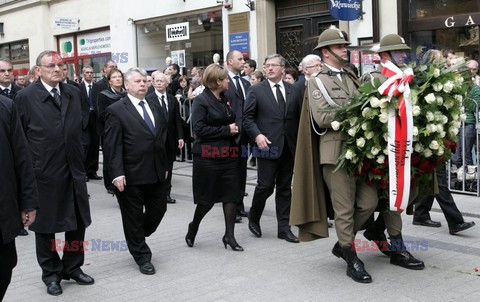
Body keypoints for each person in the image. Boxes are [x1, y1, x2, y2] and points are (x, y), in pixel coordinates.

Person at [292, 27, 378, 283]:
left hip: (357, 150)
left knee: (368, 202)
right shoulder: (317, 80)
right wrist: (356, 113)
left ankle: (343, 244)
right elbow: (322, 117)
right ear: (326, 52)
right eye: (341, 46)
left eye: (345, 46)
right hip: (335, 152)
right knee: (344, 209)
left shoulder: (351, 77)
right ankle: (352, 259)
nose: (345, 49)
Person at [15, 51, 94, 296]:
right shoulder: (25, 97)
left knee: (77, 223)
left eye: (61, 65)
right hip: (44, 173)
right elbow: (18, 138)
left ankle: (73, 266)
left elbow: (82, 124)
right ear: (38, 70)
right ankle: (51, 273)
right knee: (46, 226)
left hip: (73, 170)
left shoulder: (73, 91)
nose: (57, 69)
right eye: (51, 66)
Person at [360, 34, 425, 270]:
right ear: (385, 56)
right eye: (399, 52)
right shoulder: (374, 78)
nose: (404, 56)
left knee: (407, 194)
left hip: (405, 149)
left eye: (404, 52)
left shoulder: (408, 77)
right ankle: (397, 249)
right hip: (382, 152)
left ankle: (377, 230)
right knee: (392, 198)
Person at [104, 67, 169, 275]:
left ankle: (136, 235)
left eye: (145, 81)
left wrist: (166, 165)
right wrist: (116, 173)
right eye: (138, 81)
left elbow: (161, 139)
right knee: (132, 216)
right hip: (130, 175)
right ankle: (142, 256)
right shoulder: (116, 110)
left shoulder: (154, 105)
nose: (143, 84)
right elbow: (112, 146)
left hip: (157, 171)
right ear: (127, 85)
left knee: (158, 210)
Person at [243, 54, 302, 243]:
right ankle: (254, 216)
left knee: (285, 188)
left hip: (288, 147)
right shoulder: (256, 90)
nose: (269, 69)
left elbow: (298, 118)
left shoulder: (294, 90)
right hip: (266, 145)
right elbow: (247, 118)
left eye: (273, 65)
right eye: (267, 65)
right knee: (265, 186)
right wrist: (257, 135)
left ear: (282, 69)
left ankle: (284, 228)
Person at [185, 63, 243, 251]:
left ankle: (229, 236)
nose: (228, 81)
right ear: (218, 81)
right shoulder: (202, 101)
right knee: (207, 200)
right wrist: (227, 129)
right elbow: (199, 129)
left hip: (228, 154)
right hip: (208, 157)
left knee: (231, 196)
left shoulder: (224, 98)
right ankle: (193, 227)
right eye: (225, 78)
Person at [0, 94, 38, 301]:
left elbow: (21, 157)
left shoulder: (5, 106)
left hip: (3, 206)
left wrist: (29, 202)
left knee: (6, 265)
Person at [146, 72, 184, 204]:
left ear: (167, 83)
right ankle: (156, 193)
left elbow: (177, 120)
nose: (159, 83)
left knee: (169, 167)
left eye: (162, 81)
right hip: (156, 140)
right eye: (156, 81)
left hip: (170, 140)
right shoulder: (148, 99)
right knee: (156, 166)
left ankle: (166, 193)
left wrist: (180, 137)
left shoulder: (172, 99)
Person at [225, 50, 252, 221]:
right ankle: (230, 208)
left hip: (244, 135)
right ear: (229, 61)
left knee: (241, 171)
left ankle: (240, 204)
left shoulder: (245, 83)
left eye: (244, 59)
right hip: (229, 135)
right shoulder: (223, 82)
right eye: (240, 59)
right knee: (230, 173)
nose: (243, 62)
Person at [97, 69, 127, 195]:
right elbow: (101, 114)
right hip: (109, 131)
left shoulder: (126, 94)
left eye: (119, 76)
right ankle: (110, 183)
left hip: (126, 130)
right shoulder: (104, 95)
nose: (118, 79)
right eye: (114, 77)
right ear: (109, 81)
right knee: (110, 156)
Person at [79, 66, 102, 181]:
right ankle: (83, 172)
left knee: (95, 145)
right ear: (83, 74)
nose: (89, 74)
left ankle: (92, 171)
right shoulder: (79, 88)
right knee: (86, 145)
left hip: (95, 118)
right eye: (87, 72)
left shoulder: (97, 87)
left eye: (91, 73)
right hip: (84, 120)